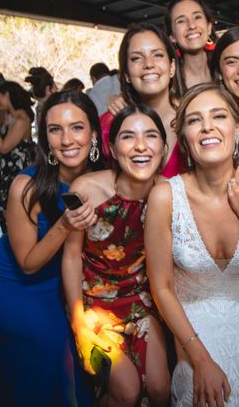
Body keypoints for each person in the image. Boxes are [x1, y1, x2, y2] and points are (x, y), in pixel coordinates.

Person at [146, 83, 239, 406]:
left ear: (237, 128)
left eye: (218, 116)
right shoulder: (165, 197)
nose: (208, 127)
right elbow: (162, 289)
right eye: (195, 120)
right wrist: (199, 360)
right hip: (192, 344)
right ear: (184, 136)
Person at [0, 90, 102, 407]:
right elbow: (28, 263)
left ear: (94, 134)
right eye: (55, 129)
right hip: (8, 282)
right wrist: (65, 224)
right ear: (45, 138)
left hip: (60, 280)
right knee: (56, 343)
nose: (67, 139)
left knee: (50, 350)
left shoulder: (106, 178)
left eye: (77, 127)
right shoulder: (26, 186)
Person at [62, 105, 170, 406]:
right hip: (95, 306)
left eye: (151, 135)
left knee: (161, 390)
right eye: (128, 136)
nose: (140, 145)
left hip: (143, 302)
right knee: (128, 391)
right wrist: (77, 320)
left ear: (163, 146)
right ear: (112, 147)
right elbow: (71, 257)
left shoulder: (168, 192)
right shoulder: (86, 189)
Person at [99, 23, 186, 178]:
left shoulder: (194, 119)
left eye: (157, 55)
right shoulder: (108, 124)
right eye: (136, 58)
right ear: (126, 74)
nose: (148, 64)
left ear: (172, 67)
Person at [0, 81, 35, 232]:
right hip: (8, 169)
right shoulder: (11, 117)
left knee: (14, 211)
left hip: (18, 171)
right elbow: (3, 143)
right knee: (5, 209)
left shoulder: (22, 119)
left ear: (7, 95)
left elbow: (5, 147)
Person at [165, 0, 218, 88]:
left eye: (197, 17)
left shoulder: (225, 72)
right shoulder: (169, 84)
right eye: (181, 21)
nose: (192, 26)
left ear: (209, 27)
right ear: (172, 36)